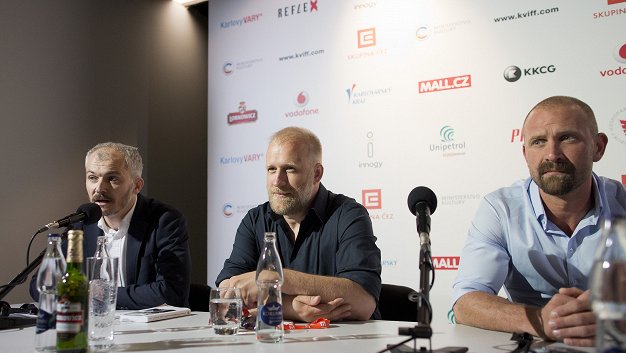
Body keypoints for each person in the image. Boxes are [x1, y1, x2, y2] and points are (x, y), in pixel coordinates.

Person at [450, 96, 626, 347]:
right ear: (525, 153)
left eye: (567, 138)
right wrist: (540, 319)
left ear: (598, 147)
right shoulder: (499, 209)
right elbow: (466, 302)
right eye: (538, 142)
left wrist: (611, 314)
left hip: (622, 351)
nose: (552, 154)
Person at [216, 127, 381, 321]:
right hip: (273, 345)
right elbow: (227, 291)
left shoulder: (349, 215)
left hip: (345, 345)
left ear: (316, 173)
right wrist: (289, 307)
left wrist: (275, 278)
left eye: (289, 169)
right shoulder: (255, 220)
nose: (278, 181)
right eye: (271, 169)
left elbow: (363, 302)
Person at [31, 142, 191, 309]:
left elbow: (171, 292)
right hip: (93, 325)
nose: (99, 188)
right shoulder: (81, 222)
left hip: (151, 331)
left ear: (136, 185)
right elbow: (41, 284)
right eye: (92, 178)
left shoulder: (165, 221)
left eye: (112, 178)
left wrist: (94, 294)